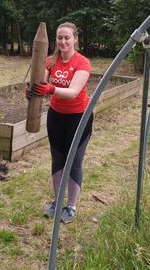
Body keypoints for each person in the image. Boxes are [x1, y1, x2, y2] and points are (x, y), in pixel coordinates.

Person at [26, 22, 92, 224]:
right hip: (56, 117)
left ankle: (71, 206)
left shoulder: (82, 63)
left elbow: (72, 92)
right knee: (57, 160)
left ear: (75, 39)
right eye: (59, 37)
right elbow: (39, 81)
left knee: (73, 163)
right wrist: (31, 90)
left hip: (78, 118)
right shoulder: (50, 61)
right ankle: (56, 201)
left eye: (67, 37)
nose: (62, 41)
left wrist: (49, 89)